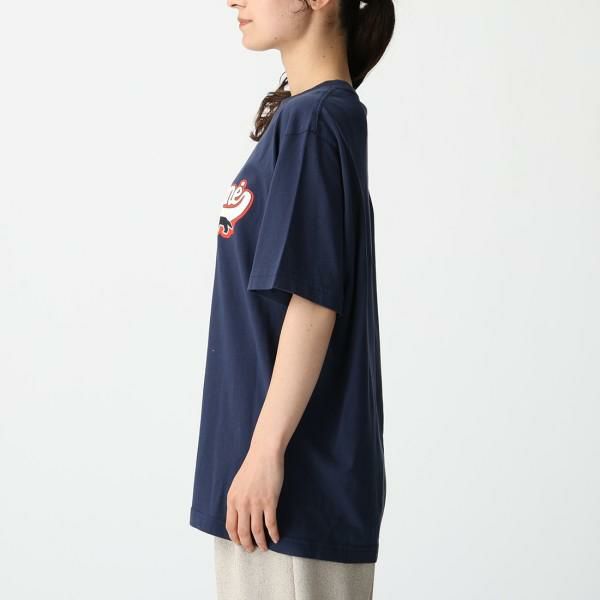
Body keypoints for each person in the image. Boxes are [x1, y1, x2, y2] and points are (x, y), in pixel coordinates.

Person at [189, 0, 395, 598]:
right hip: (268, 495)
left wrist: (264, 454)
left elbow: (313, 300)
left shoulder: (315, 122)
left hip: (289, 495)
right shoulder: (309, 119)